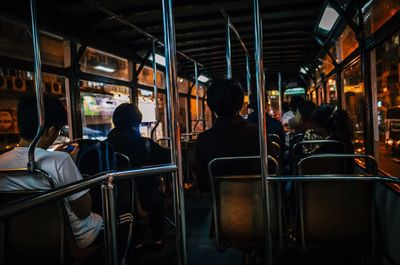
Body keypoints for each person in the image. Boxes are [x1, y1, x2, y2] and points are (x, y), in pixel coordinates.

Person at [0, 96, 103, 250]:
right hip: (71, 241)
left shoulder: (2, 162)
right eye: (59, 130)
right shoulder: (60, 160)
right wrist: (68, 162)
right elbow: (83, 211)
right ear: (50, 131)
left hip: (21, 243)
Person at [193, 78, 276, 193]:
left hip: (221, 207)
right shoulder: (258, 133)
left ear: (210, 106)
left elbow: (203, 185)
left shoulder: (204, 140)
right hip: (260, 202)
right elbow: (273, 170)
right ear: (240, 103)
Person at [107, 103, 169, 250]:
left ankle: (137, 241)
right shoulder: (145, 144)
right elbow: (168, 158)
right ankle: (158, 239)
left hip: (112, 200)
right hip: (143, 199)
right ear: (137, 122)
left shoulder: (105, 146)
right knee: (156, 198)